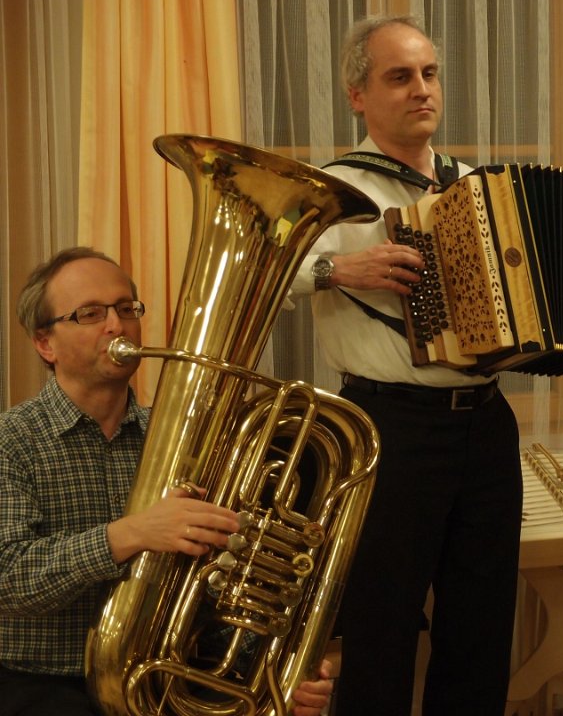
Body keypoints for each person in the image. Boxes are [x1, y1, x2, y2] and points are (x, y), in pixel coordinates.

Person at [287, 14, 563, 716]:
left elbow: (555, 274)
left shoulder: (475, 185)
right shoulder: (331, 189)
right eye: (400, 77)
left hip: (485, 424)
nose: (422, 89)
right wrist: (338, 268)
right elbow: (263, 270)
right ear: (357, 96)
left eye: (429, 73)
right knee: (381, 623)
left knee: (481, 625)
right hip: (387, 427)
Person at [0, 247, 332, 716]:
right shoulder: (11, 441)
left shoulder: (186, 440)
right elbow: (8, 580)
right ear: (44, 344)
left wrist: (276, 670)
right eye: (90, 314)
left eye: (126, 309)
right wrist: (131, 534)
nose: (116, 326)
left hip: (167, 678)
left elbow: (214, 585)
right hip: (42, 686)